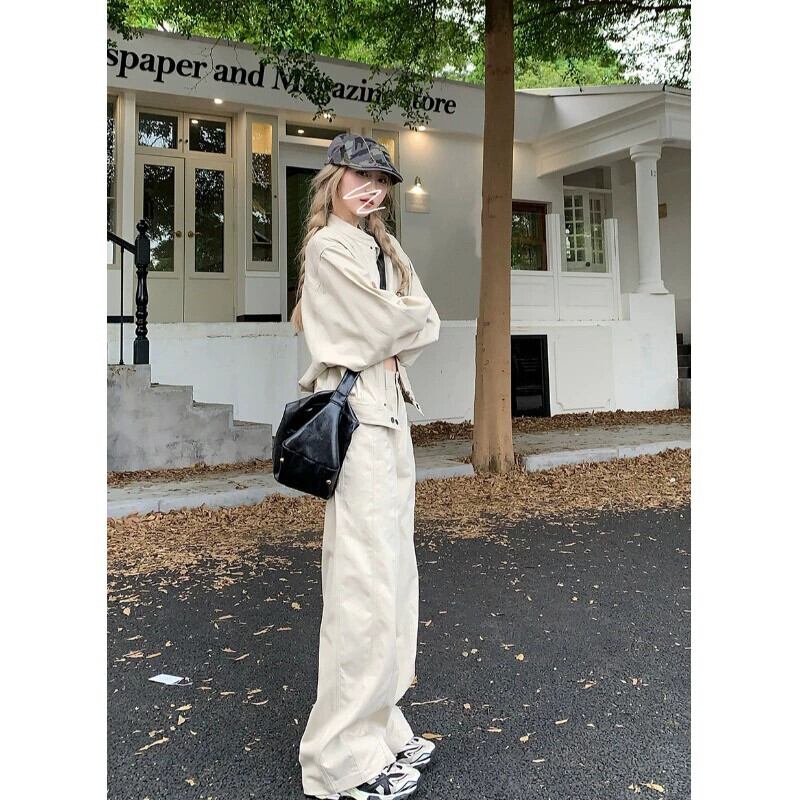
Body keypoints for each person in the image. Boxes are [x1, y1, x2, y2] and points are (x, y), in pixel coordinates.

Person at [290, 133, 441, 800]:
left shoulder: (381, 246)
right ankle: (339, 760)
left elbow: (426, 320)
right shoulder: (329, 248)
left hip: (389, 415)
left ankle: (380, 726)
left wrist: (398, 321)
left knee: (394, 580)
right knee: (363, 588)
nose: (373, 189)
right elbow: (388, 325)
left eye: (382, 181)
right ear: (334, 179)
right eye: (361, 176)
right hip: (358, 420)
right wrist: (397, 324)